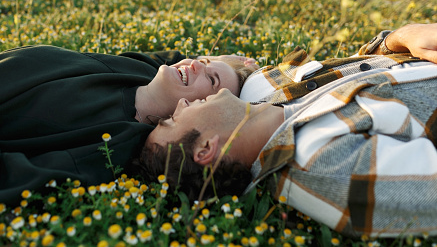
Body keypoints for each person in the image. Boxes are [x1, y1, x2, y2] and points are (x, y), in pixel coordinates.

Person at [138, 23, 437, 237]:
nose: (179, 105)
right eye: (173, 120)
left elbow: (361, 64)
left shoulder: (261, 87)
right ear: (206, 149)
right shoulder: (321, 167)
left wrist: (399, 38)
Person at [0, 45, 256, 221]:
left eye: (211, 80)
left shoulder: (110, 149)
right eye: (201, 59)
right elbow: (176, 59)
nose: (196, 65)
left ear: (197, 113)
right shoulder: (139, 71)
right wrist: (229, 64)